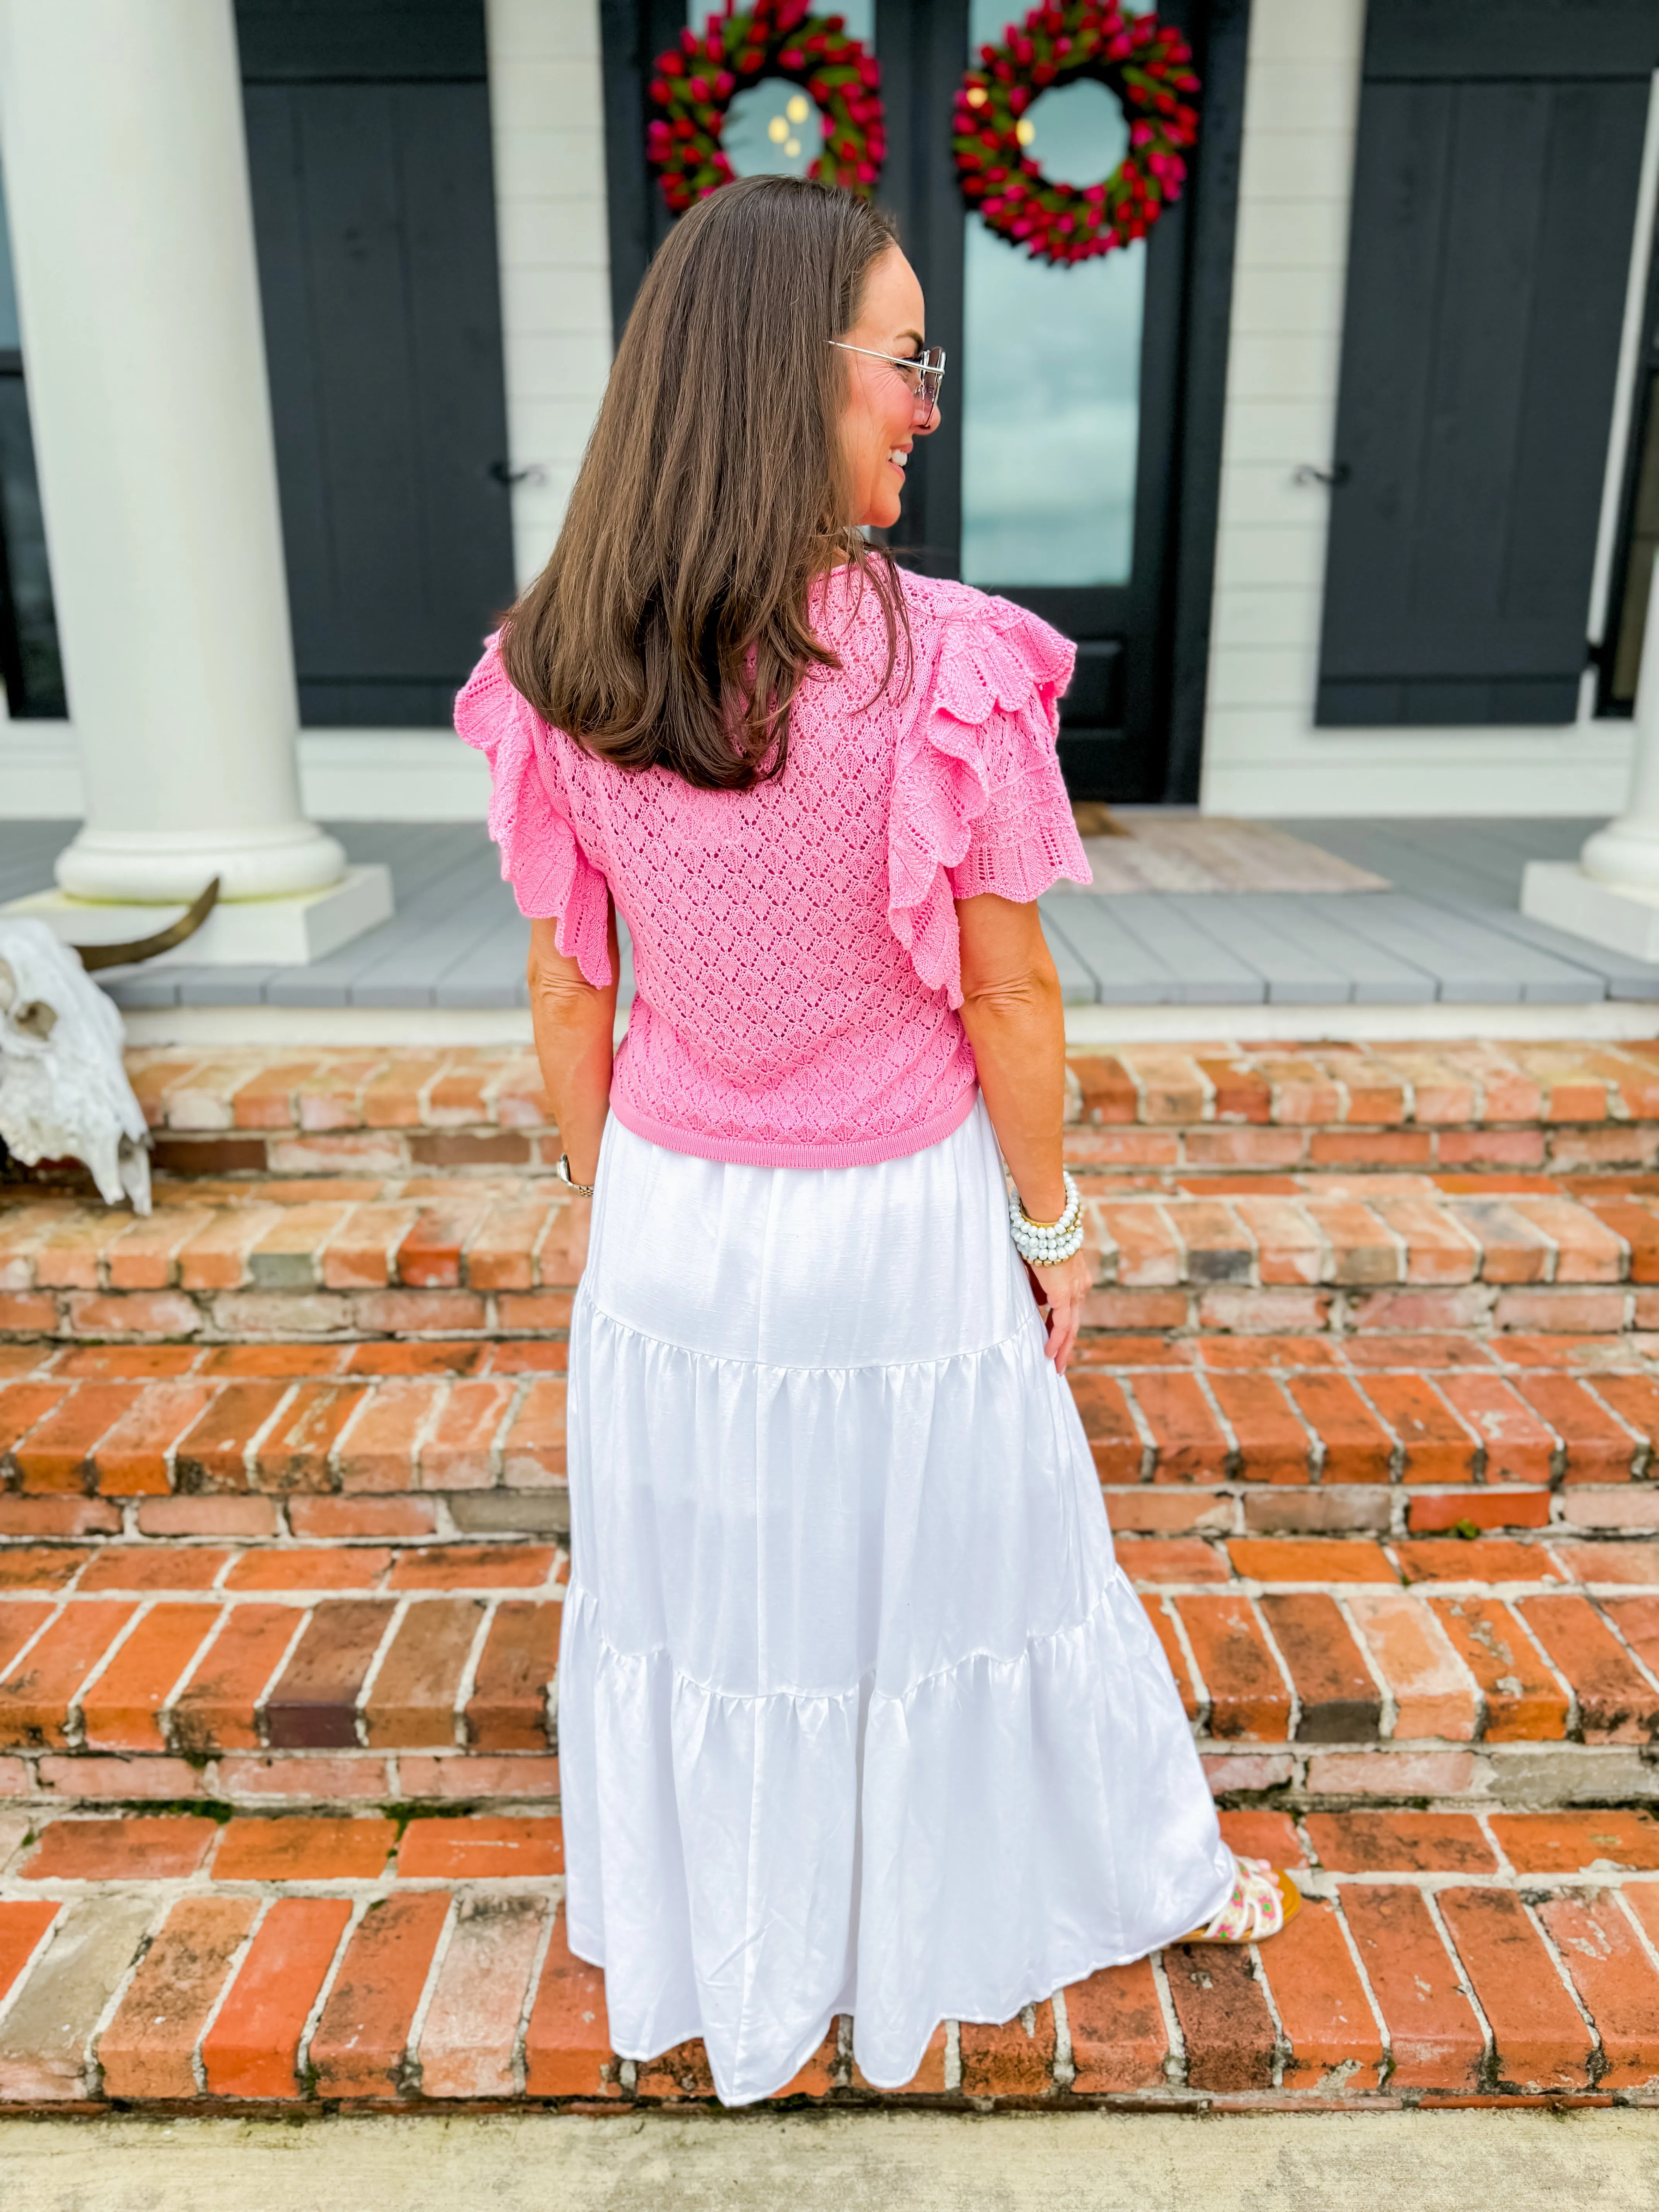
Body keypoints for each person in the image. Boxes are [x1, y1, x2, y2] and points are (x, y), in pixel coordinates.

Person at [456, 173, 1296, 2108]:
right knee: (952, 1581)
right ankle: (995, 1890)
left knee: (723, 1600)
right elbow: (1007, 997)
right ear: (780, 375)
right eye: (905, 359)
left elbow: (567, 988)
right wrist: (1058, 1218)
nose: (932, 399)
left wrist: (618, 1208)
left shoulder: (557, 659)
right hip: (902, 1215)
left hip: (673, 1205)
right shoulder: (953, 662)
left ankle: (749, 1924)